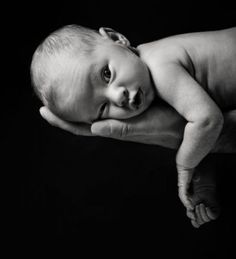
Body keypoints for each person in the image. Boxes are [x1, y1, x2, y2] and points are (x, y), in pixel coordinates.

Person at [31, 25, 236, 227]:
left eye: (106, 74)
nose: (117, 96)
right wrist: (202, 185)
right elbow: (201, 140)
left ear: (117, 39)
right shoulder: (151, 90)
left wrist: (184, 164)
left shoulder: (160, 66)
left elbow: (207, 121)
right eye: (103, 108)